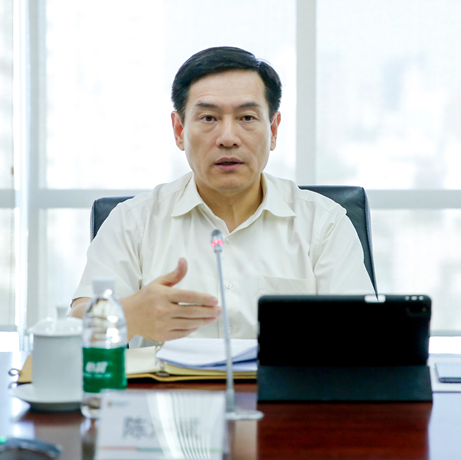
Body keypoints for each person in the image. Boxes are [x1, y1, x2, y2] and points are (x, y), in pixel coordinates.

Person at [69, 46, 373, 347]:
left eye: (247, 117)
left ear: (273, 130)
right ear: (179, 130)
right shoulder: (132, 222)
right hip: (161, 381)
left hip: (281, 381)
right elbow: (75, 329)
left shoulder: (323, 224)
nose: (228, 138)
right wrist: (128, 315)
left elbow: (365, 336)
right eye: (208, 118)